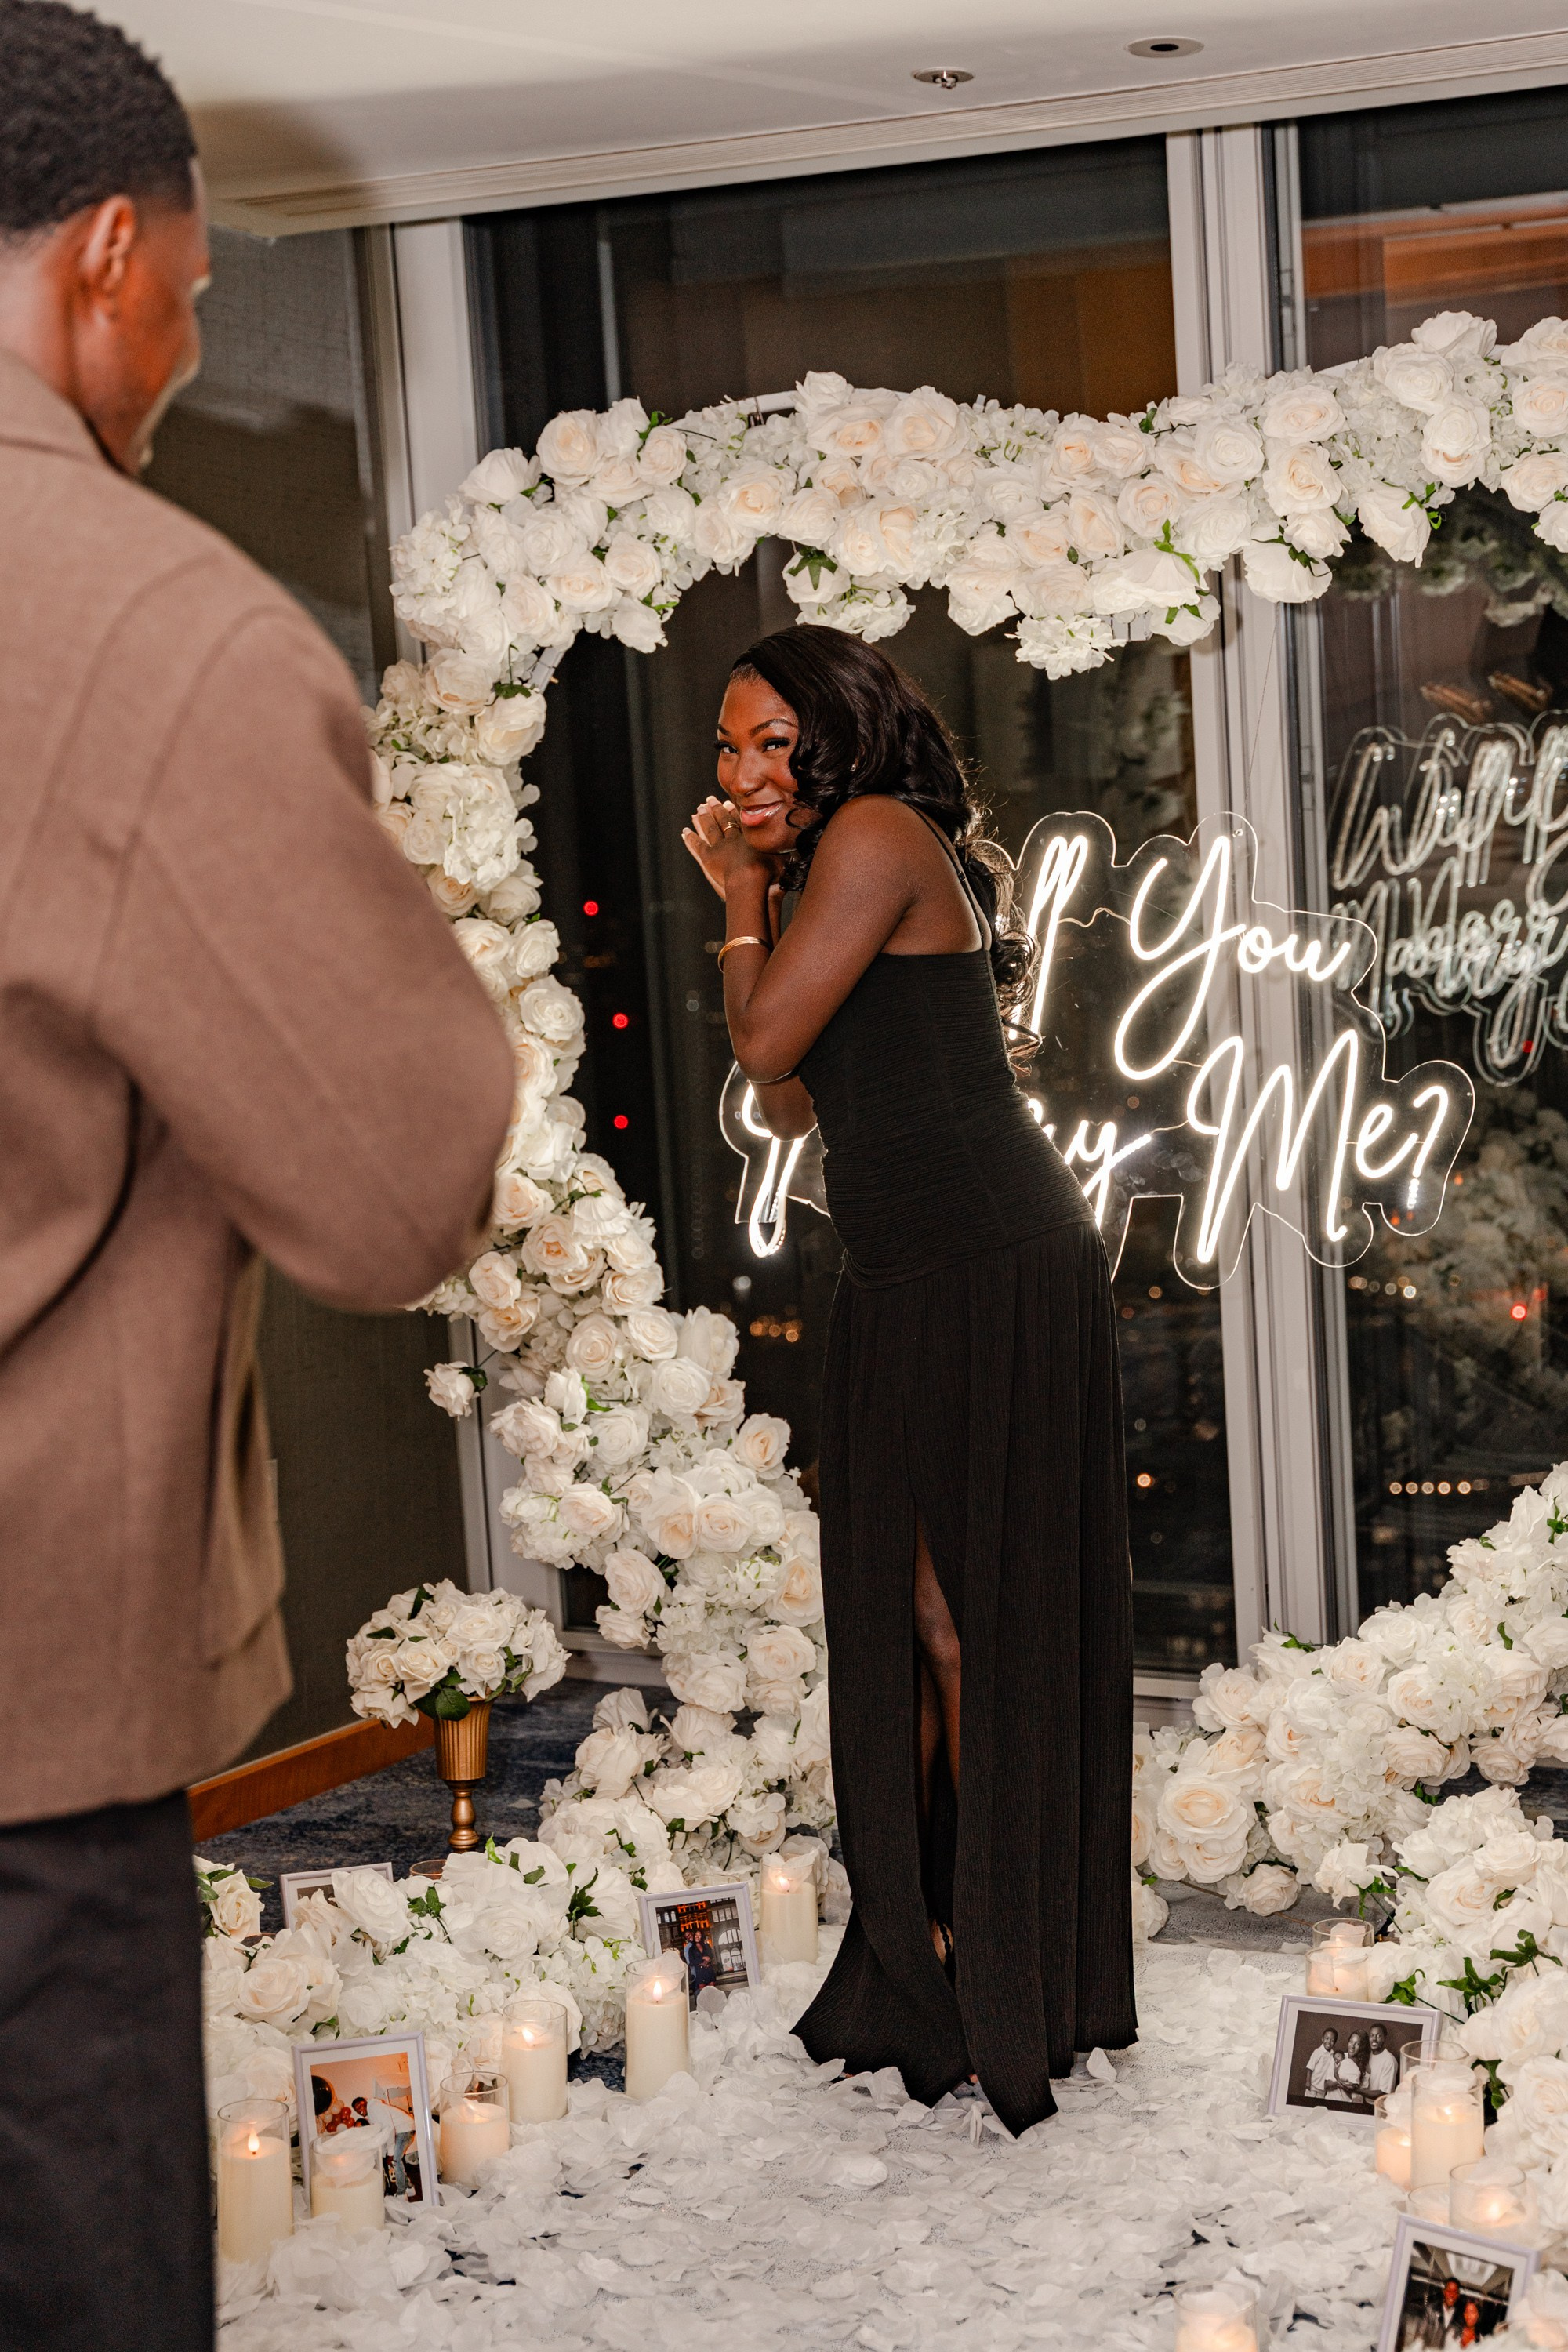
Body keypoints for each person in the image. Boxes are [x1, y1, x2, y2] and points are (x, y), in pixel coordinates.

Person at [0, 8, 514, 2348]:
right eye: (196, 298)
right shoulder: (134, 622)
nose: (192, 357)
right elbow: (395, 1177)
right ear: (109, 251)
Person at [683, 626, 1134, 2136]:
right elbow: (807, 1090)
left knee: (972, 1617)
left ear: (838, 734)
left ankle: (995, 1959)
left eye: (768, 742)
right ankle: (945, 1940)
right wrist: (761, 900)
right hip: (903, 1275)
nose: (744, 772)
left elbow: (761, 1042)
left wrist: (741, 899)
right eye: (728, 747)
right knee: (925, 1611)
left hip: (987, 1266)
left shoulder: (874, 835)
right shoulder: (848, 858)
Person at [1327, 2031, 1369, 2103]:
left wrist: (1350, 2088)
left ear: (1362, 2047)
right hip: (1330, 2102)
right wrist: (1339, 2082)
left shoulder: (1365, 2068)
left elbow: (1358, 2098)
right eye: (1351, 2041)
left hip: (1347, 2106)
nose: (1352, 2046)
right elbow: (1326, 2085)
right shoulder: (1338, 2057)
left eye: (1357, 2044)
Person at [1304, 2029, 1341, 2102]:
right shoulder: (1318, 2052)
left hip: (1323, 2088)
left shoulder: (1333, 2054)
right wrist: (1308, 2081)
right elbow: (1310, 2068)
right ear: (1322, 2039)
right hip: (1313, 2086)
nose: (1329, 2042)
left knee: (1319, 2106)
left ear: (1335, 2042)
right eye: (1327, 2039)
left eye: (1332, 2040)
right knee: (1307, 2103)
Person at [1367, 2024, 1399, 2098]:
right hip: (1363, 2101)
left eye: (1379, 2036)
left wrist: (1358, 2091)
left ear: (1384, 2038)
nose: (1374, 2039)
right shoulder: (1367, 2054)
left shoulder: (1389, 2061)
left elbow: (1383, 2094)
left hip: (1378, 2105)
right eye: (1371, 2035)